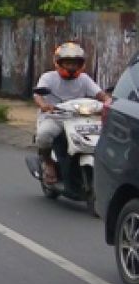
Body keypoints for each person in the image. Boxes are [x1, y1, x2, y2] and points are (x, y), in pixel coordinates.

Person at [34, 42, 110, 185]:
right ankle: (49, 164)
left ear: (80, 64)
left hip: (79, 117)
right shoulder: (48, 77)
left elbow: (99, 94)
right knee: (44, 135)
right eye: (68, 63)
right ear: (59, 62)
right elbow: (38, 95)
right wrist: (44, 105)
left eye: (75, 63)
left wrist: (108, 101)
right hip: (56, 116)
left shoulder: (84, 79)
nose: (71, 66)